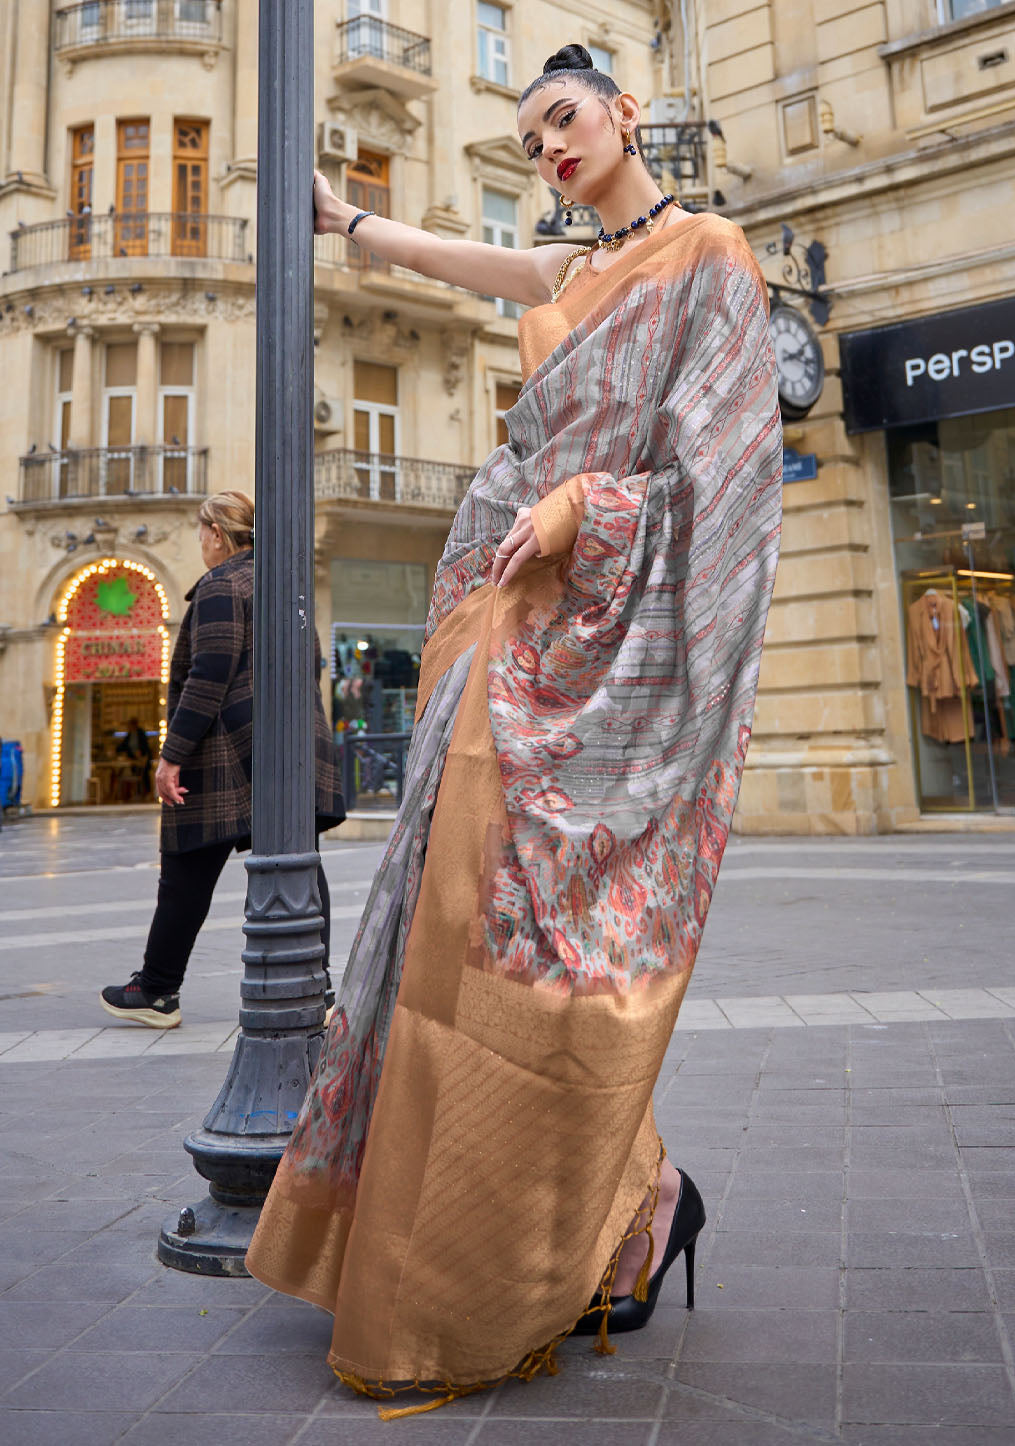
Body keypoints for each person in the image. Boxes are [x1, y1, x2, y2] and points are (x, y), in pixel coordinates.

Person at [246, 45, 782, 1416]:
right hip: (508, 637)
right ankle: (629, 1197)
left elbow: (719, 488)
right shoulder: (566, 277)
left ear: (625, 114)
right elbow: (466, 266)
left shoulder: (708, 256)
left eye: (563, 116)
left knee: (542, 954)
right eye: (529, 129)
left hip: (602, 647)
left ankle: (615, 1207)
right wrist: (347, 222)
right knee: (450, 932)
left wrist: (586, 512)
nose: (546, 142)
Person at [100, 490, 345, 1029]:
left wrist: (171, 756)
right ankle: (316, 986)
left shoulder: (220, 585)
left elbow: (208, 676)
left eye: (200, 529)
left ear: (215, 532)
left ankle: (159, 990)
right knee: (298, 859)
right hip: (290, 747)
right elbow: (316, 664)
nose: (201, 540)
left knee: (187, 863)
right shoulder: (288, 585)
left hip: (226, 753)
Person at [114, 715, 152, 799]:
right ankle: (137, 793)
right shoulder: (129, 735)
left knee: (144, 775)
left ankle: (146, 793)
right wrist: (116, 749)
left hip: (142, 759)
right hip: (133, 759)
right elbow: (123, 745)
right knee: (135, 773)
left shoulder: (141, 733)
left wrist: (141, 753)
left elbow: (145, 746)